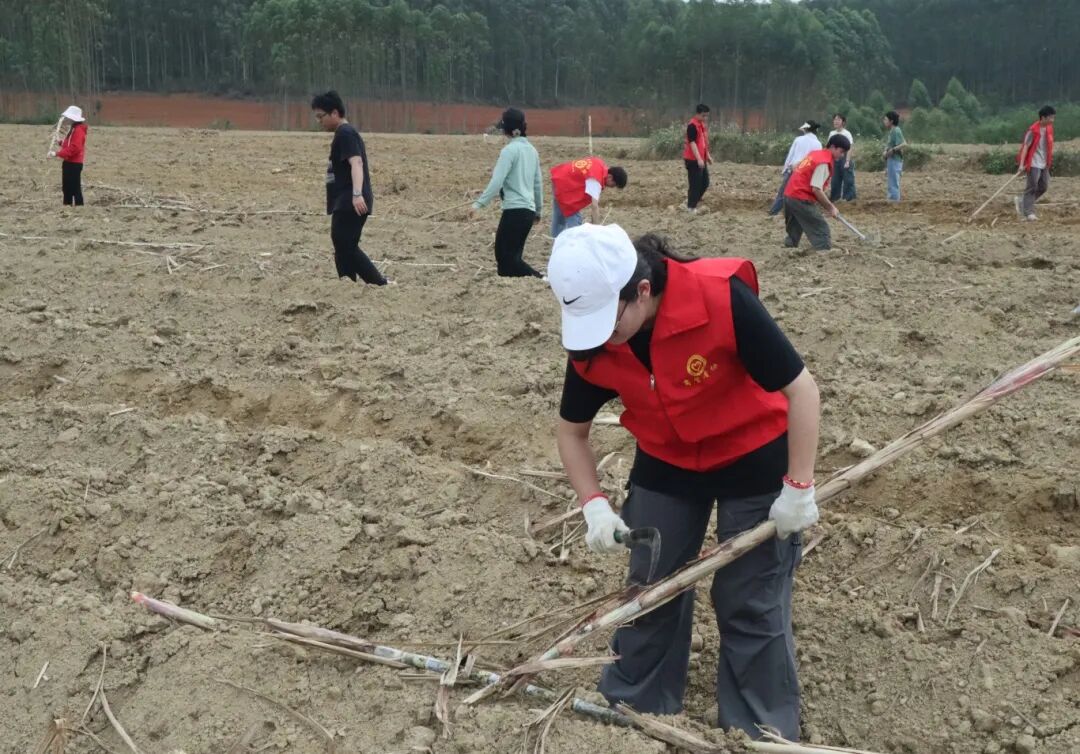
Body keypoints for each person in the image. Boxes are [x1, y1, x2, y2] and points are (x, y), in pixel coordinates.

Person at [547, 223, 821, 741]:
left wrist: (799, 487)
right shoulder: (594, 342)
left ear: (641, 291)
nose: (600, 336)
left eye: (608, 321)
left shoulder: (719, 298)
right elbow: (571, 431)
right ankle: (635, 709)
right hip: (667, 459)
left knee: (750, 599)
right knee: (650, 590)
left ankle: (760, 731)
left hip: (753, 456)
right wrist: (594, 505)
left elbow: (802, 390)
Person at [311, 90, 388, 286]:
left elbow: (356, 163)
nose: (319, 121)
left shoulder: (345, 133)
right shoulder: (343, 134)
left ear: (334, 113)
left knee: (346, 245)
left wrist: (357, 194)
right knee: (342, 244)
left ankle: (378, 284)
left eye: (321, 116)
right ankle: (347, 285)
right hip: (345, 200)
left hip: (350, 200)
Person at [471, 108, 544, 277]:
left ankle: (541, 279)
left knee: (506, 259)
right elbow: (538, 184)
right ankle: (533, 281)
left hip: (514, 211)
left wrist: (478, 204)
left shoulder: (508, 151)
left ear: (507, 130)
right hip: (528, 212)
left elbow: (497, 182)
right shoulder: (532, 151)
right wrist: (538, 211)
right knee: (508, 260)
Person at [782, 134, 850, 251]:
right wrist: (831, 208)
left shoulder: (815, 154)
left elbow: (795, 166)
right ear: (832, 147)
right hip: (800, 197)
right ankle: (823, 250)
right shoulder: (824, 162)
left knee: (796, 224)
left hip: (789, 194)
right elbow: (816, 189)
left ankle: (789, 248)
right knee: (821, 228)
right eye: (841, 151)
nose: (842, 155)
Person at [550, 157, 628, 238]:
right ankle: (575, 242)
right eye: (614, 185)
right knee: (576, 224)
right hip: (564, 187)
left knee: (559, 217)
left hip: (559, 176)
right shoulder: (596, 180)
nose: (612, 187)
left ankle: (555, 239)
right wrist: (596, 230)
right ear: (610, 177)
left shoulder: (599, 163)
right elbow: (594, 206)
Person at [768, 121, 822, 216]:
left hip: (794, 170)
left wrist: (785, 169)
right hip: (807, 173)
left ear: (806, 129)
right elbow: (817, 161)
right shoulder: (818, 144)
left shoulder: (798, 140)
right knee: (802, 195)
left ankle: (774, 212)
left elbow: (791, 155)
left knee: (783, 193)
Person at [1015, 105, 1056, 222]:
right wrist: (1021, 165)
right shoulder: (1033, 130)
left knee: (1043, 187)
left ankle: (1023, 202)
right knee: (1032, 187)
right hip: (1033, 163)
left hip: (1044, 163)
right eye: (1051, 117)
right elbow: (1025, 147)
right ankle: (1029, 212)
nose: (1052, 120)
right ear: (1043, 117)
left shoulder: (1049, 129)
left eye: (1053, 117)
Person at [49, 105, 87, 206]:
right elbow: (69, 144)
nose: (67, 119)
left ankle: (79, 207)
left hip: (74, 164)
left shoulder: (78, 130)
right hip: (68, 162)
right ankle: (67, 206)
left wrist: (57, 154)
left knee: (75, 188)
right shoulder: (73, 128)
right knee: (66, 188)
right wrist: (60, 142)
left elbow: (75, 148)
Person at [684, 104, 712, 213]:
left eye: (707, 116)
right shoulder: (692, 126)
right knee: (695, 184)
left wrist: (707, 155)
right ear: (698, 114)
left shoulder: (701, 125)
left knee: (705, 182)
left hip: (701, 159)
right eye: (703, 115)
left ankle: (692, 201)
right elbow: (692, 143)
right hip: (692, 160)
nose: (705, 118)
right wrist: (699, 159)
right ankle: (691, 207)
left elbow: (703, 143)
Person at [827, 113, 856, 202]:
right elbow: (829, 147)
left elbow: (850, 147)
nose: (836, 121)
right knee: (835, 179)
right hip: (834, 159)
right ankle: (834, 198)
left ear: (843, 122)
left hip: (845, 157)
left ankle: (849, 198)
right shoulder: (832, 133)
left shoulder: (847, 133)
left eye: (838, 119)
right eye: (835, 119)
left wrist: (847, 161)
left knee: (848, 179)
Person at [882, 111, 906, 202]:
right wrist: (886, 151)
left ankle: (894, 201)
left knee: (893, 183)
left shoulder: (896, 130)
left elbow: (904, 144)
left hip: (895, 160)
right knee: (891, 182)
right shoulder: (892, 131)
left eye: (885, 119)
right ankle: (892, 200)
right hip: (891, 160)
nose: (884, 121)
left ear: (891, 121)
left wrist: (893, 150)